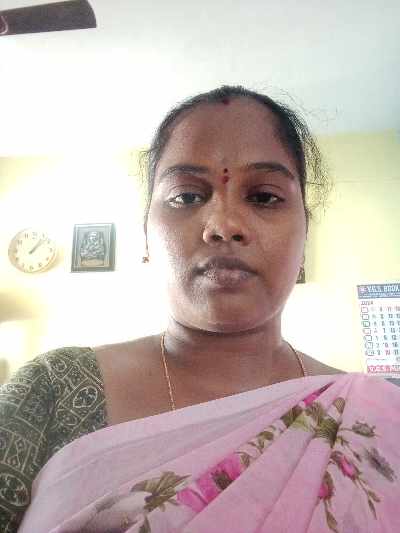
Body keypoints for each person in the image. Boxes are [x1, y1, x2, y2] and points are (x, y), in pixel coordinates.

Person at [1, 86, 399, 532]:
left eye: (264, 197)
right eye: (187, 197)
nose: (224, 225)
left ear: (304, 237)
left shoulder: (375, 420)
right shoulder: (53, 390)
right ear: (146, 237)